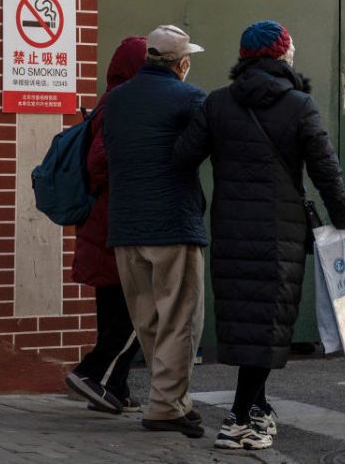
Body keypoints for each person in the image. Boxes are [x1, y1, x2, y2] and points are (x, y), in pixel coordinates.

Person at [175, 20, 345, 450]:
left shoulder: (217, 104)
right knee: (268, 321)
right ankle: (239, 419)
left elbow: (182, 157)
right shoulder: (299, 106)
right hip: (281, 233)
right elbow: (326, 173)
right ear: (281, 57)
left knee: (246, 320)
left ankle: (257, 407)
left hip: (232, 229)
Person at [103, 24, 208, 438]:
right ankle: (166, 406)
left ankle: (172, 400)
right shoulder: (190, 97)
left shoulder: (116, 100)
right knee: (179, 319)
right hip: (172, 224)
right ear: (181, 64)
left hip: (125, 226)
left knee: (147, 319)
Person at [65, 36, 145, 415]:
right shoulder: (120, 103)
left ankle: (115, 388)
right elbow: (100, 162)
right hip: (115, 221)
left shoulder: (109, 100)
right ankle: (91, 374)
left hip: (104, 223)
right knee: (138, 308)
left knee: (115, 307)